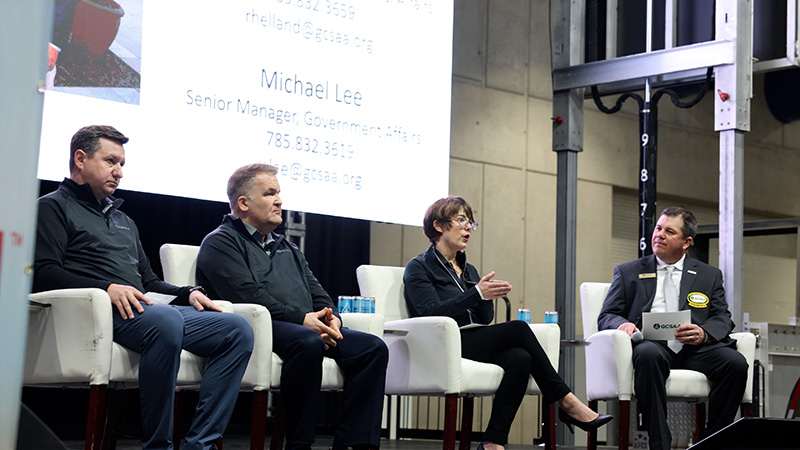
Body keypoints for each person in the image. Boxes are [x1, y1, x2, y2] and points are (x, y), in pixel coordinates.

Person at [32, 125, 254, 450]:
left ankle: (199, 444)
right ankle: (157, 445)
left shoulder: (124, 221)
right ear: (80, 159)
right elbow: (43, 271)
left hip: (141, 309)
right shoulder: (53, 207)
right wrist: (106, 288)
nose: (119, 172)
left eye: (121, 164)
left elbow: (149, 283)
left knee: (236, 329)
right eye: (111, 161)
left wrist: (187, 292)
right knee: (165, 321)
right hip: (96, 313)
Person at [195, 163, 388, 450]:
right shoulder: (221, 241)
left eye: (279, 193)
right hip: (258, 328)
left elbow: (315, 289)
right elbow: (248, 295)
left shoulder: (287, 246)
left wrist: (330, 318)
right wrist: (303, 320)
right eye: (270, 193)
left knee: (372, 348)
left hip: (304, 325)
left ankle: (355, 443)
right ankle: (299, 443)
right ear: (243, 203)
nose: (279, 200)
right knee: (307, 341)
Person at [403, 196, 612, 450]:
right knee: (518, 328)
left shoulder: (467, 269)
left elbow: (483, 319)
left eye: (471, 222)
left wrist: (486, 297)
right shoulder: (419, 267)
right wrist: (476, 294)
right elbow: (428, 312)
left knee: (520, 358)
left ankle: (493, 442)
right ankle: (566, 402)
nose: (468, 227)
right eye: (461, 220)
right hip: (441, 343)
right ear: (438, 226)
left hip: (471, 339)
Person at [597, 206, 748, 450]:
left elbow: (722, 317)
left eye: (669, 231)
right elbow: (607, 315)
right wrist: (621, 323)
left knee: (735, 364)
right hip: (652, 344)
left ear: (687, 242)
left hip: (694, 347)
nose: (659, 235)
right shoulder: (629, 272)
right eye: (658, 228)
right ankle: (659, 442)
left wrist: (704, 333)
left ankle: (711, 440)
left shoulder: (708, 275)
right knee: (647, 355)